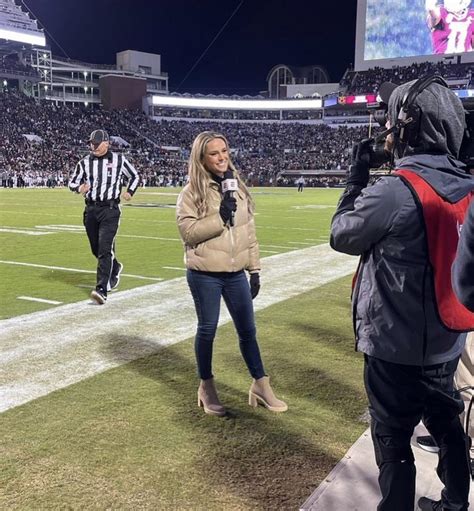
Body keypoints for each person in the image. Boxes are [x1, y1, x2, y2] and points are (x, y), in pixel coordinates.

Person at [330, 77, 474, 511]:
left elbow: (342, 234)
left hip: (395, 342)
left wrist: (356, 179)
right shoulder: (468, 183)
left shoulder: (394, 189)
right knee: (447, 424)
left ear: (409, 127)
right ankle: (454, 504)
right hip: (448, 337)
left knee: (392, 438)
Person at [176, 131, 287, 417]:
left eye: (224, 150)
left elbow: (249, 233)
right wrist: (220, 217)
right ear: (201, 158)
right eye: (214, 153)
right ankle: (206, 387)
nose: (222, 157)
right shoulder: (191, 192)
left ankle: (261, 386)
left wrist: (255, 270)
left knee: (248, 331)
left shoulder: (236, 188)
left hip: (236, 272)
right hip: (205, 274)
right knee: (208, 329)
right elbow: (188, 233)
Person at [69, 129, 139, 304]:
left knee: (104, 248)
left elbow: (135, 176)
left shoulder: (119, 160)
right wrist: (79, 189)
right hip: (91, 209)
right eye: (91, 143)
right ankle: (115, 267)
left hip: (110, 209)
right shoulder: (84, 162)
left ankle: (101, 289)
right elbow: (72, 182)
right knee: (96, 248)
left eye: (97, 143)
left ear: (107, 143)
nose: (93, 146)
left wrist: (130, 191)